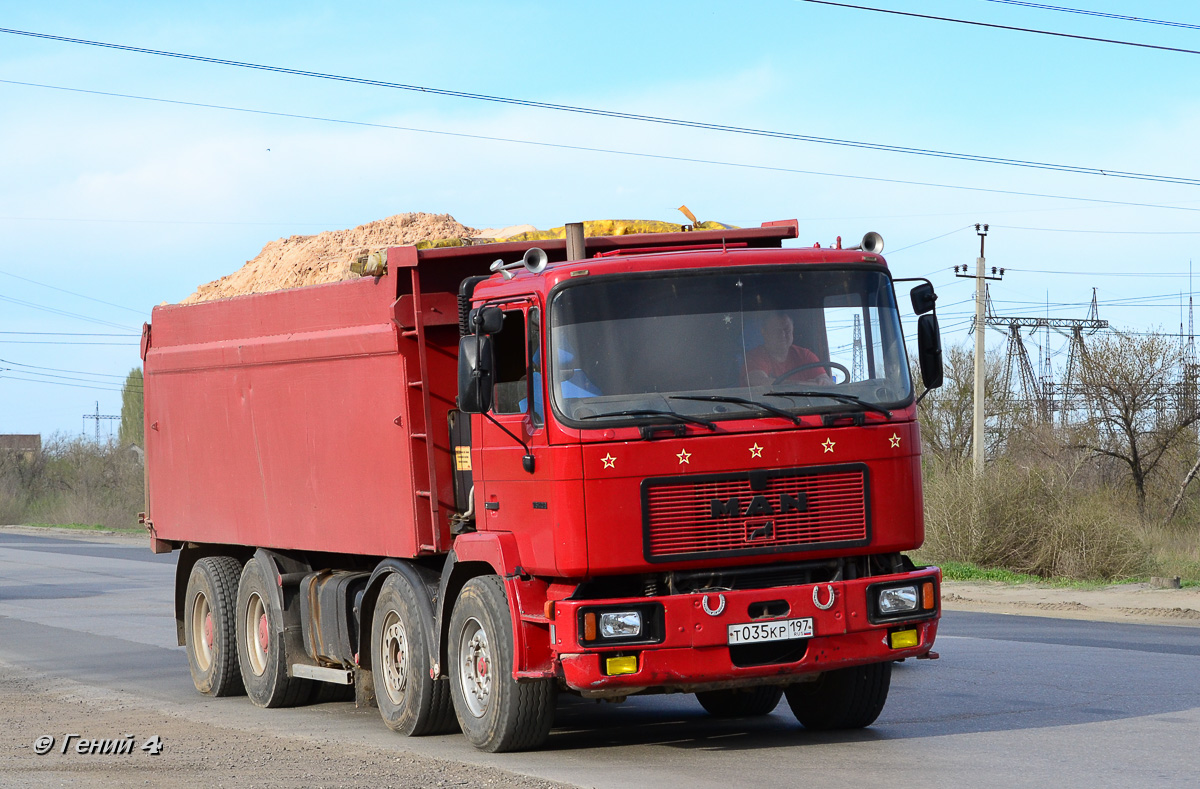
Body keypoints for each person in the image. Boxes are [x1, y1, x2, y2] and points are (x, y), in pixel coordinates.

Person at [745, 312, 833, 386]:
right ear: (765, 333)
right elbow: (758, 382)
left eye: (787, 330)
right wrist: (800, 385)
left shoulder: (804, 355)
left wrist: (823, 382)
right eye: (777, 331)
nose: (783, 335)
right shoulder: (754, 357)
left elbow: (826, 381)